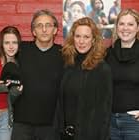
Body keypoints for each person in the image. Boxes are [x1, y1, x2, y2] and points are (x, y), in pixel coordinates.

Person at [11, 9, 63, 140]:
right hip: (21, 125)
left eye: (48, 25)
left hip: (51, 126)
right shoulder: (20, 50)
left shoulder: (64, 54)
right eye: (39, 26)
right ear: (33, 31)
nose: (44, 29)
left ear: (55, 30)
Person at [61, 17, 112, 140]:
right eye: (78, 36)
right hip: (66, 135)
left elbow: (105, 112)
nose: (81, 41)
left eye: (86, 37)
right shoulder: (68, 64)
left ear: (94, 40)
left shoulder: (102, 69)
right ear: (73, 38)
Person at [106, 9, 139, 140]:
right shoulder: (107, 54)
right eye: (121, 24)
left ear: (137, 28)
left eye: (130, 24)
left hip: (135, 124)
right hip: (110, 123)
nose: (125, 28)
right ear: (116, 27)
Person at [0, 26, 23, 140]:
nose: (11, 46)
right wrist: (2, 87)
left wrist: (15, 93)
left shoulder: (20, 66)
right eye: (7, 42)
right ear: (1, 44)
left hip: (6, 116)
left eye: (14, 42)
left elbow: (13, 100)